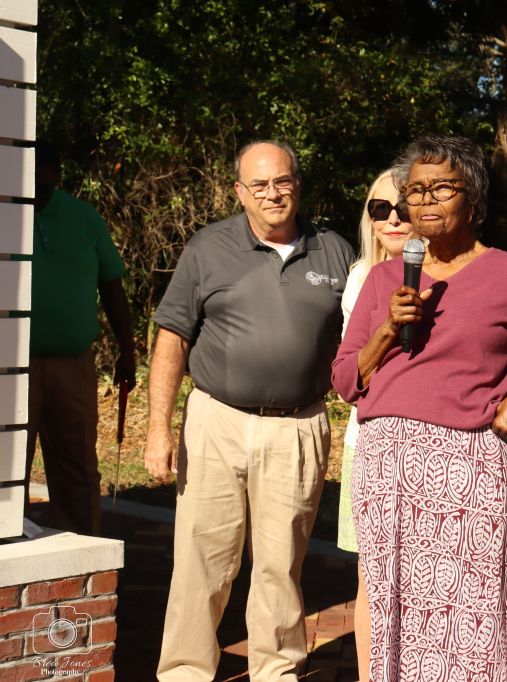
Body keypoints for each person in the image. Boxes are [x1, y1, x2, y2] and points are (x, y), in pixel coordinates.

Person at [332, 135, 507, 682]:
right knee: (394, 607)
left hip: (474, 469)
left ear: (472, 197)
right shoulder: (384, 278)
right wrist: (388, 328)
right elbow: (344, 380)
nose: (424, 200)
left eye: (441, 188)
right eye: (415, 191)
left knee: (474, 613)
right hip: (389, 469)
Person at [145, 140, 355, 681]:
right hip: (216, 420)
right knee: (202, 560)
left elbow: (362, 337)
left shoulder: (335, 251)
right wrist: (158, 428)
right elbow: (172, 337)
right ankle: (186, 671)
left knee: (280, 565)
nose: (272, 194)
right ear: (240, 192)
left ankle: (276, 671)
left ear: (298, 185)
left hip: (298, 426)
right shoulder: (208, 247)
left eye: (282, 181)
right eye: (259, 184)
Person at [26, 140, 136, 536]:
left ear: (56, 175)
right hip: (11, 368)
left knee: (76, 464)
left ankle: (83, 552)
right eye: (26, 181)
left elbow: (112, 286)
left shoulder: (83, 217)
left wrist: (127, 349)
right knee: (7, 466)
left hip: (73, 363)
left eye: (42, 181)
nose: (34, 190)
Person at [338, 167, 414, 682]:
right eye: (380, 208)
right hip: (367, 442)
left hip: (430, 446)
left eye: (403, 208)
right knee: (373, 580)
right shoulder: (361, 277)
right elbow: (354, 369)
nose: (392, 219)